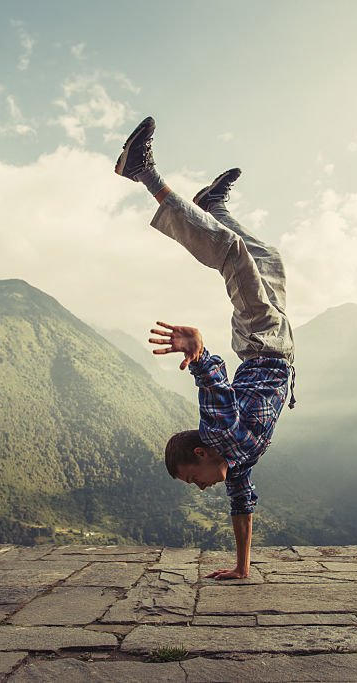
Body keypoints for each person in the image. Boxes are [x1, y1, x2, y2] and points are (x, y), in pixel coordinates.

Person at [114, 116, 296, 580]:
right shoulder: (236, 463)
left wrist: (197, 352)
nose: (197, 489)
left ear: (199, 456)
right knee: (267, 258)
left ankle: (143, 173)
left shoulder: (219, 438)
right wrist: (241, 567)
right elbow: (243, 508)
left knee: (233, 253)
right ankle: (211, 205)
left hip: (262, 342)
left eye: (191, 480)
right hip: (272, 347)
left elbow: (214, 385)